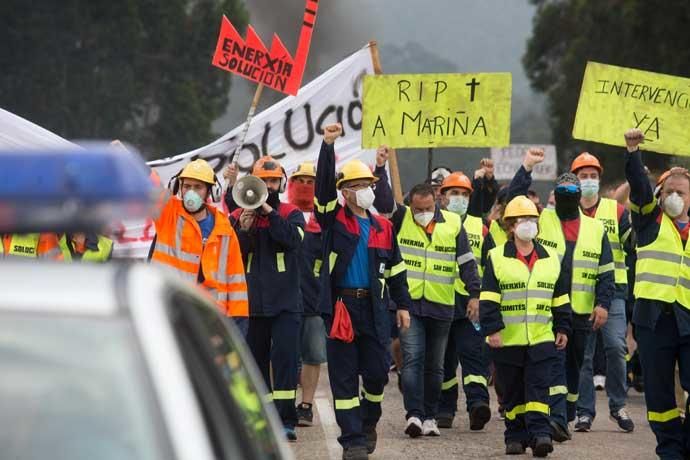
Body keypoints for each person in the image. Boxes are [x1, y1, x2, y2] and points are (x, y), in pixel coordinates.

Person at [315, 123, 411, 460]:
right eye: (356, 186)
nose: (364, 190)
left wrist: (403, 305)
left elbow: (397, 269)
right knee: (343, 380)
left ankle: (369, 420)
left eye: (367, 184)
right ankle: (353, 440)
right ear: (344, 192)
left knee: (376, 375)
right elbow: (322, 191)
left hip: (376, 309)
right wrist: (328, 146)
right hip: (342, 307)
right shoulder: (333, 221)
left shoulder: (384, 226)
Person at [506, 150, 616, 440]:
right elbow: (514, 202)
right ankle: (554, 418)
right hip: (549, 309)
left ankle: (565, 415)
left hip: (582, 311)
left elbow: (606, 271)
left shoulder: (596, 228)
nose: (567, 197)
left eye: (572, 192)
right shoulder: (542, 219)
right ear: (555, 195)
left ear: (579, 196)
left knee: (575, 368)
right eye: (562, 192)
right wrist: (527, 167)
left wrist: (603, 304)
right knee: (553, 364)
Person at [480, 195, 572, 457]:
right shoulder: (497, 257)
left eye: (532, 219)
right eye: (523, 219)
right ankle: (515, 436)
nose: (528, 224)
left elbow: (560, 298)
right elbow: (488, 298)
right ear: (510, 226)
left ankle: (541, 434)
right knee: (512, 391)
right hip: (508, 338)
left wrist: (563, 328)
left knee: (538, 386)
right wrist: (492, 329)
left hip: (542, 336)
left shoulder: (551, 258)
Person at [389, 181, 481, 438]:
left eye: (427, 207)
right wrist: (380, 166)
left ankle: (431, 416)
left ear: (437, 201)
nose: (422, 213)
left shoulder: (453, 223)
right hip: (410, 305)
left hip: (441, 305)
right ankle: (414, 415)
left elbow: (466, 261)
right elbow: (384, 198)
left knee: (436, 366)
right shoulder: (402, 217)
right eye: (418, 209)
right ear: (411, 205)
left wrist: (474, 294)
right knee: (413, 360)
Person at [229, 155, 305, 442]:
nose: (270, 186)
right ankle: (263, 418)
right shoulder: (238, 215)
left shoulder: (290, 212)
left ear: (282, 183)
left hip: (285, 302)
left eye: (274, 181)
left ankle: (286, 419)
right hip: (252, 303)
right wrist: (244, 229)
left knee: (285, 362)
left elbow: (292, 241)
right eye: (265, 181)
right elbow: (234, 255)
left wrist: (268, 211)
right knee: (256, 363)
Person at [624, 128, 690, 459]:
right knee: (661, 396)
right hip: (654, 320)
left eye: (681, 192)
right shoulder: (649, 221)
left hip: (688, 319)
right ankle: (670, 450)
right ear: (659, 195)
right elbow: (638, 184)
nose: (675, 197)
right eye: (669, 191)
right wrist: (633, 151)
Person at [570, 152, 635, 433]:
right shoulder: (567, 211)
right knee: (584, 355)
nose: (589, 181)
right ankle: (585, 413)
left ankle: (617, 405)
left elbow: (633, 245)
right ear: (575, 180)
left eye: (593, 176)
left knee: (616, 347)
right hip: (580, 292)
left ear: (600, 178)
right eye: (583, 176)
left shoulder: (617, 211)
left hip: (615, 291)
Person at [151, 158, 248, 318]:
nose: (191, 192)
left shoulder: (224, 230)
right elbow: (148, 184)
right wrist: (125, 156)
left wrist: (239, 321)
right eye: (187, 186)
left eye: (198, 187)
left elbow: (236, 280)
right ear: (179, 188)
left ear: (210, 191)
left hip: (209, 317)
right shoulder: (168, 212)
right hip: (168, 310)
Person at [434, 171, 492, 431]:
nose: (459, 198)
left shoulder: (481, 227)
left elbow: (491, 266)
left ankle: (478, 404)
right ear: (442, 196)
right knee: (445, 360)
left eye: (464, 194)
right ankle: (445, 408)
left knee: (474, 356)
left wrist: (480, 298)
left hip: (471, 304)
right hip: (442, 302)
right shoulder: (434, 224)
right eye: (454, 193)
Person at [287, 161, 327, 428]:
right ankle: (284, 401)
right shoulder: (282, 214)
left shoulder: (326, 218)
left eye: (310, 181)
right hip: (284, 298)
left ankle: (306, 405)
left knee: (313, 355)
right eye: (299, 180)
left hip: (314, 300)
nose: (305, 186)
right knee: (282, 355)